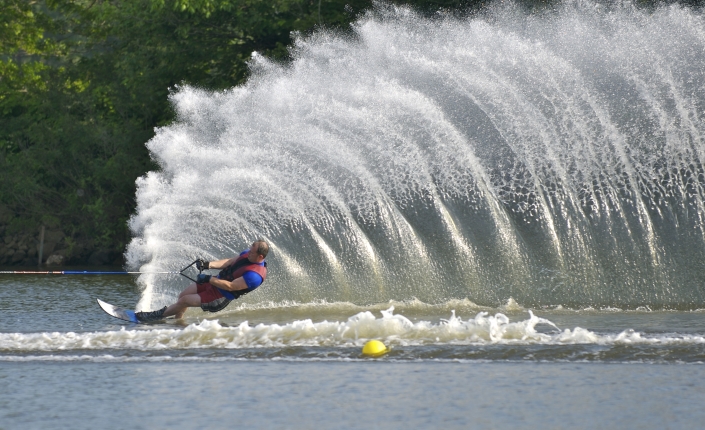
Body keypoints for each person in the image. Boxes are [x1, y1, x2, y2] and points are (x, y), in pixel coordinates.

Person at [135, 240, 269, 322]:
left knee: (184, 301)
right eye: (250, 249)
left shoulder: (255, 276)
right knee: (182, 296)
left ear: (260, 256)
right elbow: (229, 262)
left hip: (220, 296)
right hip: (215, 282)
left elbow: (231, 286)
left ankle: (155, 316)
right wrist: (208, 265)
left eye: (252, 252)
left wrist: (209, 279)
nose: (249, 252)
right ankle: (179, 323)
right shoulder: (247, 253)